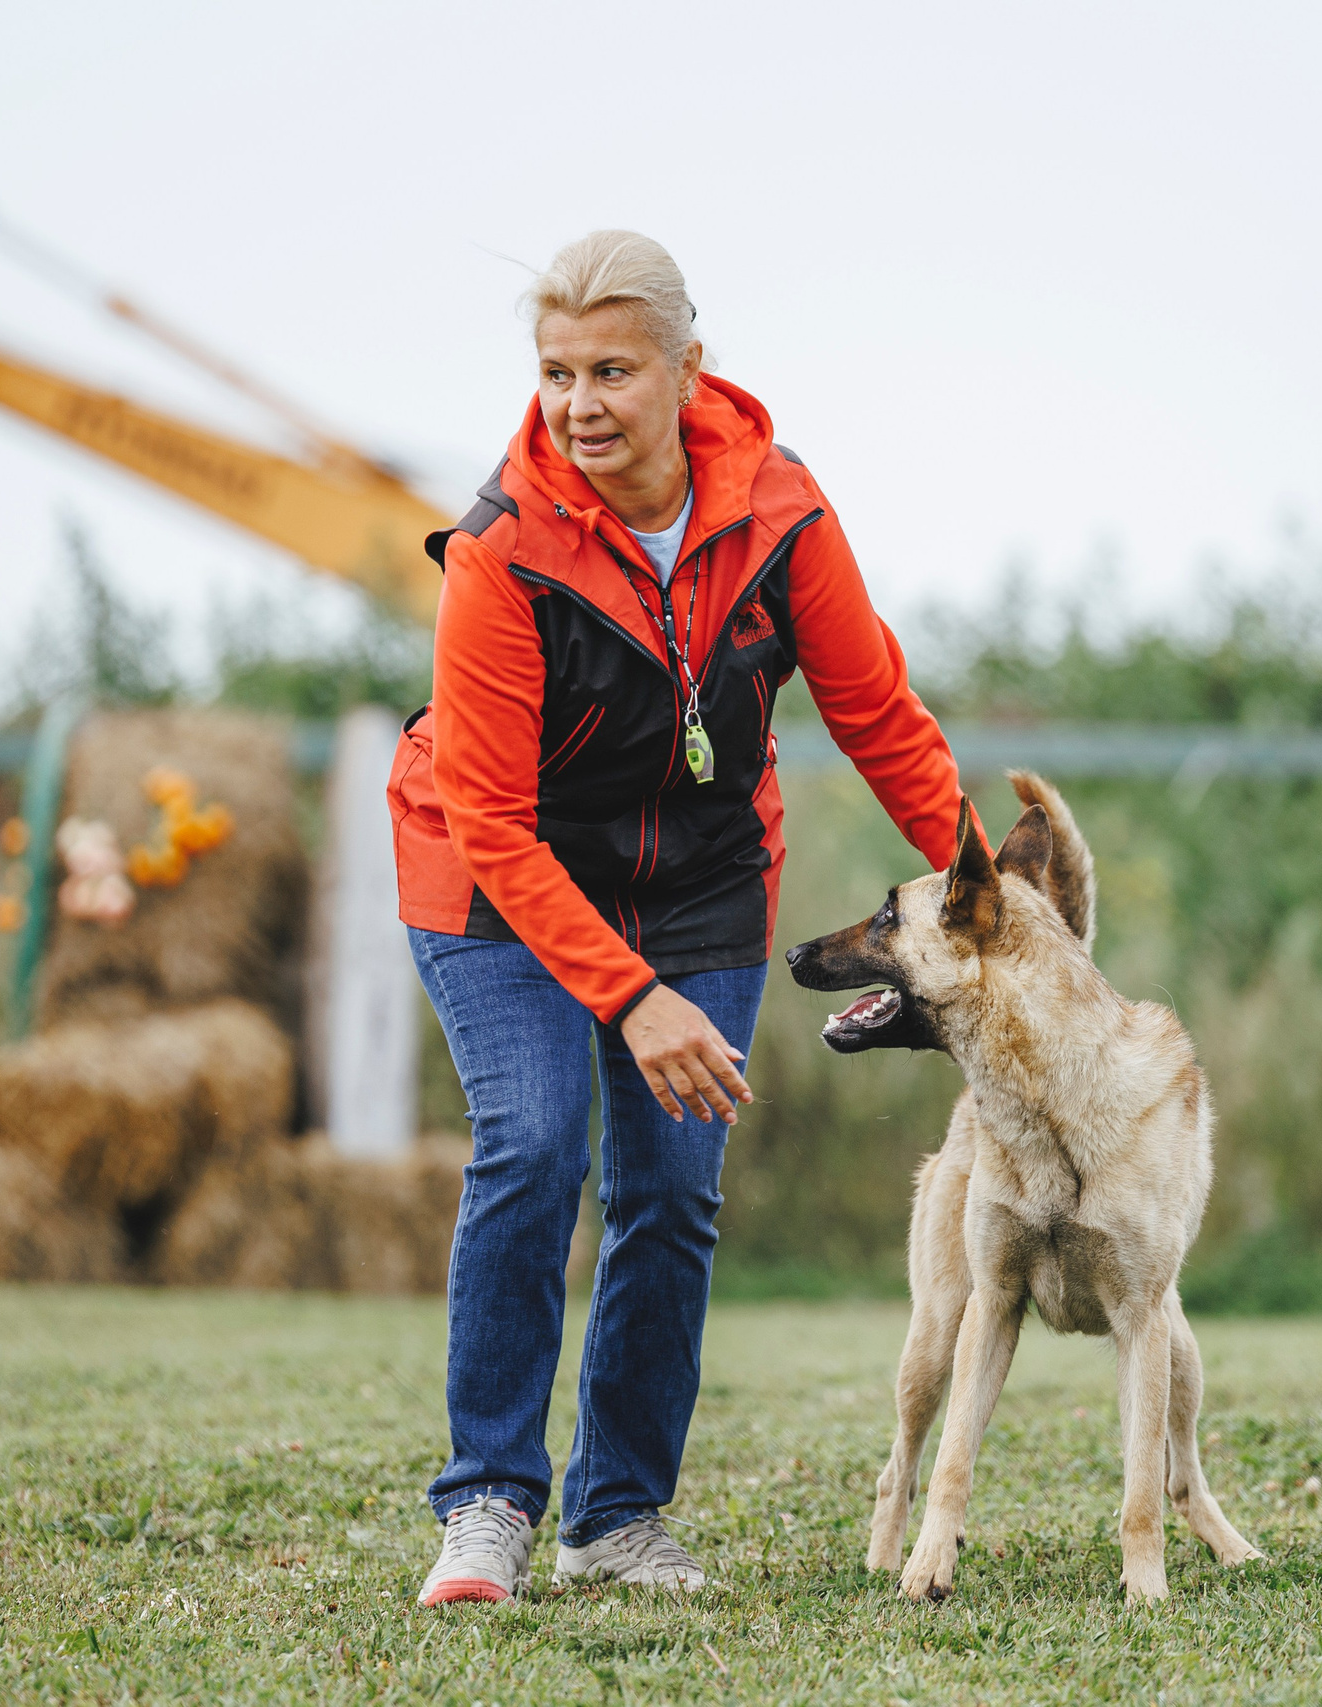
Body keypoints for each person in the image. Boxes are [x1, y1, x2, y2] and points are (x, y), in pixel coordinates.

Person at [389, 230, 972, 1603]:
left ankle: (615, 1517)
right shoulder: (502, 554)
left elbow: (878, 716)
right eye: (553, 373)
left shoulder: (779, 510)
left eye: (610, 370)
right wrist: (631, 998)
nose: (578, 405)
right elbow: (493, 820)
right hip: (493, 878)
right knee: (535, 1146)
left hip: (699, 879)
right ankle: (486, 1505)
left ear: (687, 367)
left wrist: (993, 886)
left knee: (670, 1186)